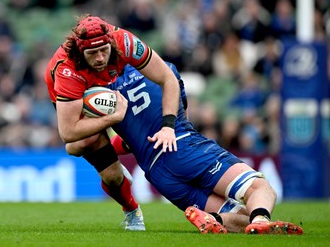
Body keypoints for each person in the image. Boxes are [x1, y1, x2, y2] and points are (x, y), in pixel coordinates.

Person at [68, 62, 303, 235]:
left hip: (158, 175)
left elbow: (95, 143)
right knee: (259, 188)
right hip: (182, 147)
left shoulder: (105, 94)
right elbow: (182, 117)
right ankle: (262, 219)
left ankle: (214, 219)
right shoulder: (165, 69)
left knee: (241, 215)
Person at [44, 14, 181, 231]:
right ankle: (132, 211)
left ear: (111, 44)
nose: (99, 58)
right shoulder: (66, 69)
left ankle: (125, 143)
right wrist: (114, 118)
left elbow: (168, 78)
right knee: (84, 150)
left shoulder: (124, 42)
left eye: (103, 51)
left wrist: (169, 126)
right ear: (80, 52)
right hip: (78, 96)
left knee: (144, 128)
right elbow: (68, 132)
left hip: (115, 83)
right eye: (92, 53)